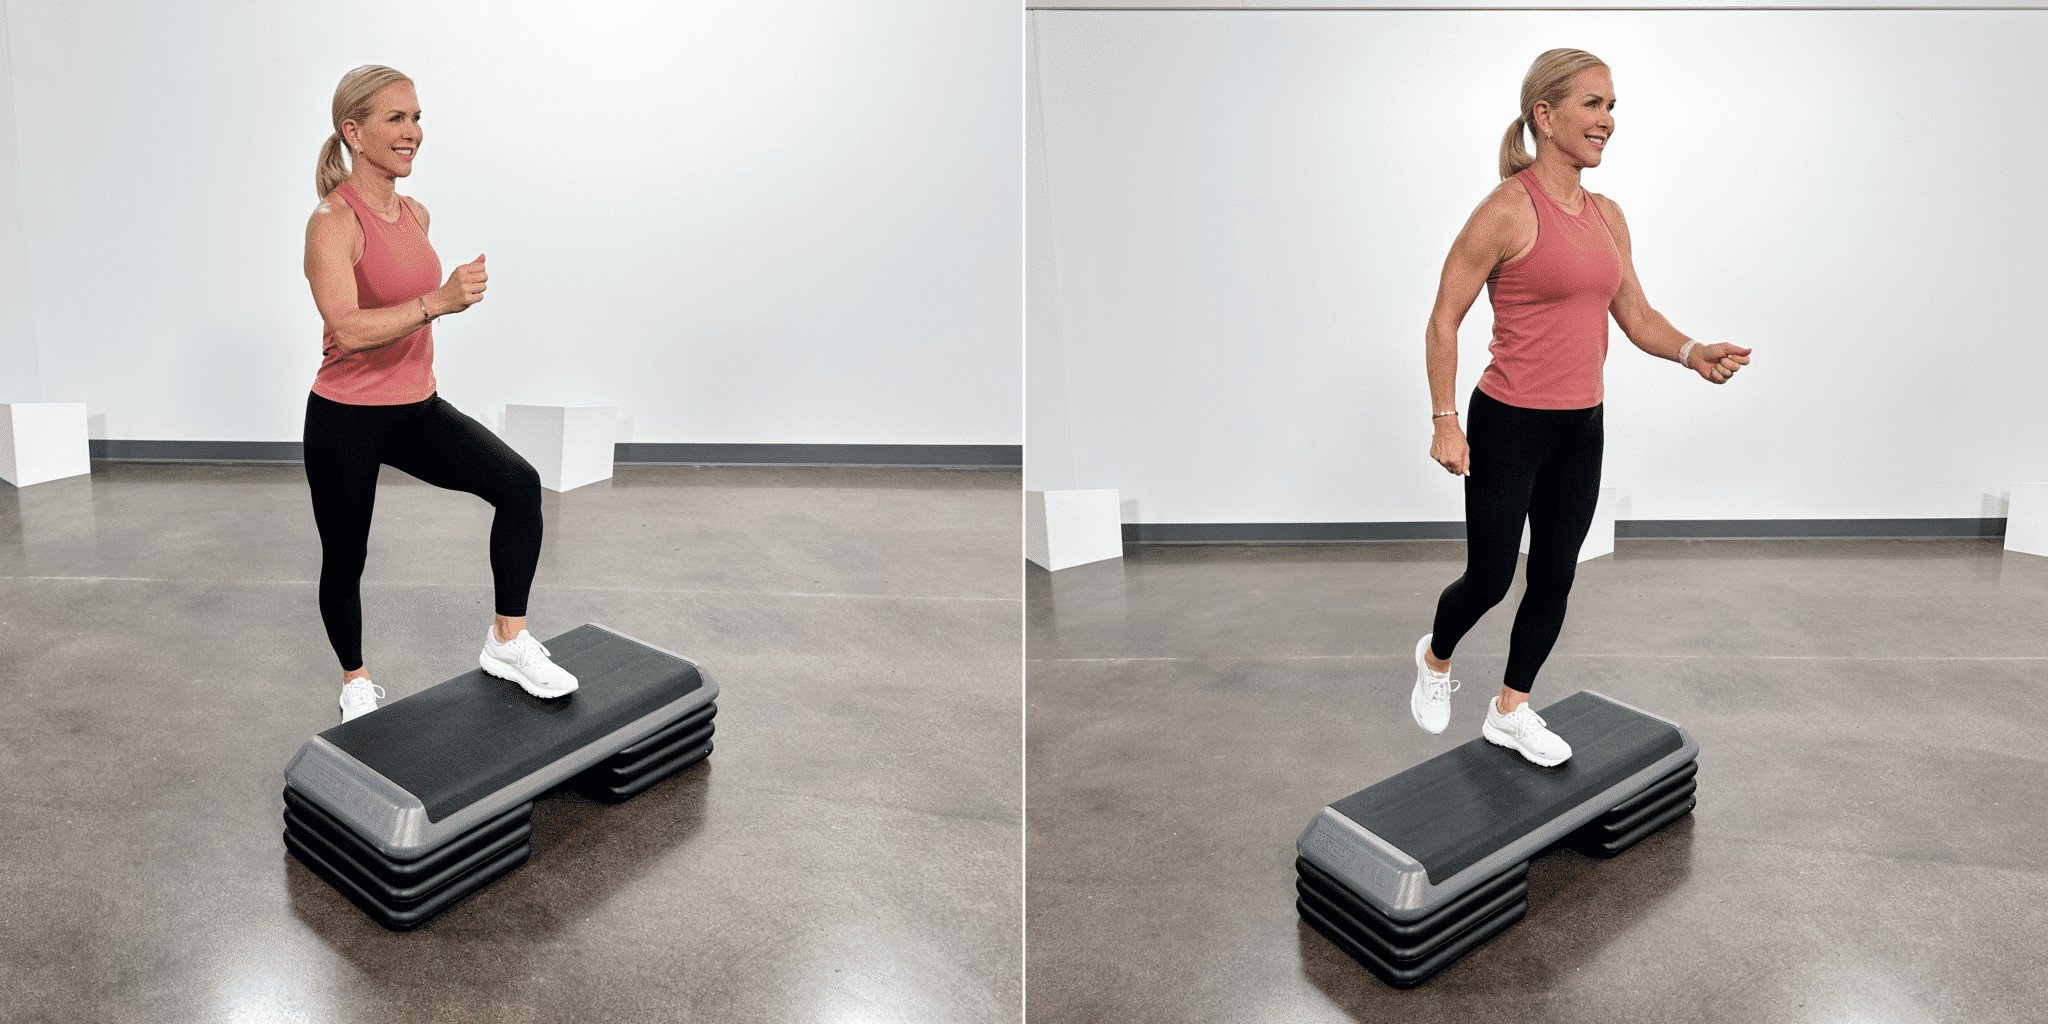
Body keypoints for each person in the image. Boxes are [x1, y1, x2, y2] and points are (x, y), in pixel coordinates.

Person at [1407, 49, 1753, 765]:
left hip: (1581, 426)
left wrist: (1693, 352)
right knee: (1491, 578)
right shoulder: (1505, 210)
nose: (1607, 121)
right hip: (1508, 425)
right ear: (1546, 115)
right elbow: (1445, 317)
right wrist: (1445, 419)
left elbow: (1636, 314)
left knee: (1557, 573)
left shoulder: (1608, 217)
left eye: (1612, 106)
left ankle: (1511, 708)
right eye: (1593, 105)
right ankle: (1436, 658)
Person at [303, 65, 577, 722]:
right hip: (345, 418)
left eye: (417, 117)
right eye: (396, 119)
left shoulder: (416, 212)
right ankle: (355, 682)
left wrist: (437, 304)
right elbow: (346, 326)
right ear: (353, 131)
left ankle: (507, 641)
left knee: (518, 485)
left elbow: (404, 314)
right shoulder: (332, 222)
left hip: (415, 410)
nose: (412, 132)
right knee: (345, 557)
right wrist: (439, 301)